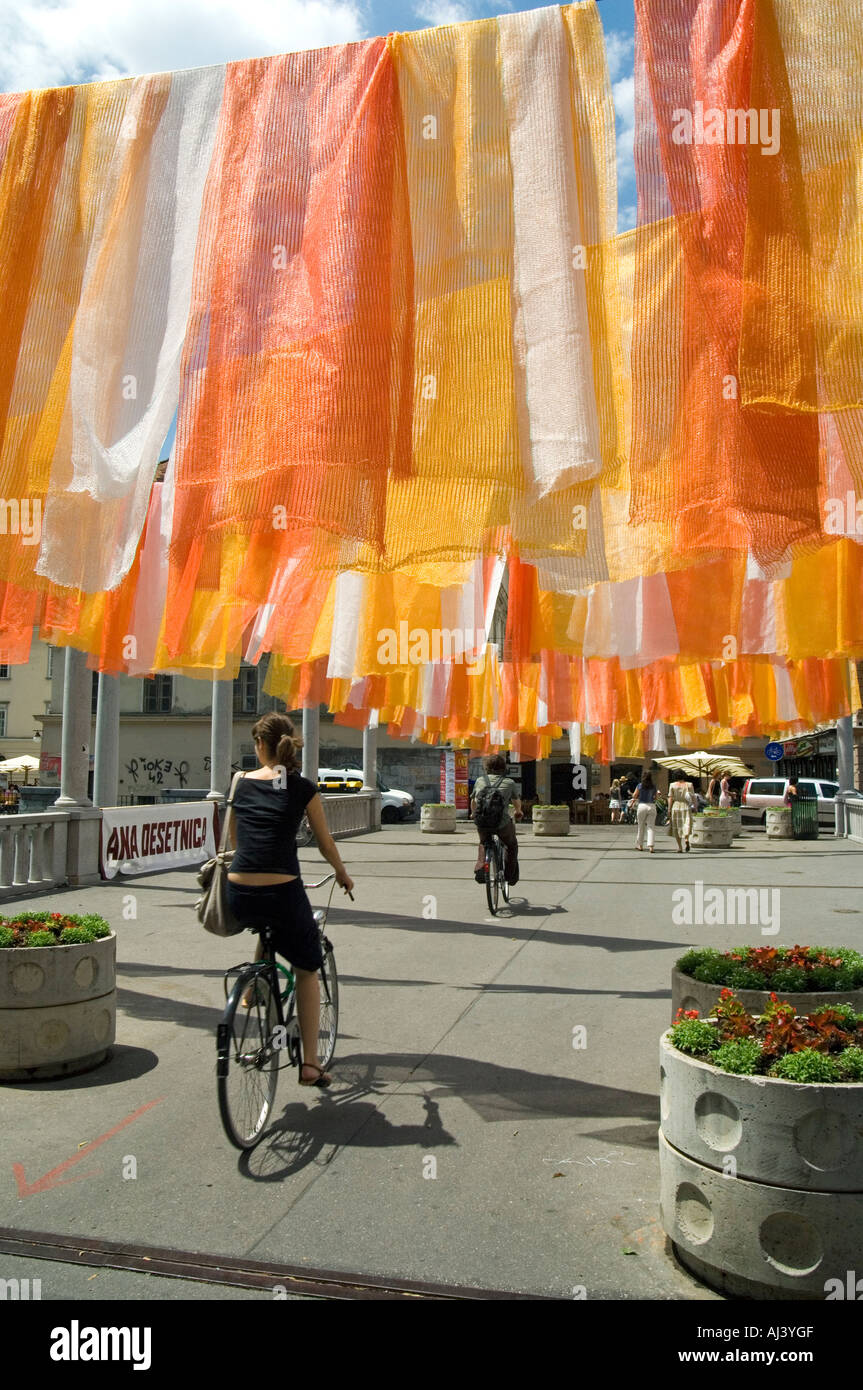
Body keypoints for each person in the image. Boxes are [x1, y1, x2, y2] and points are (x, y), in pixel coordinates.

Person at [226, 712, 354, 1088]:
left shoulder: (240, 782)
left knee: (265, 925)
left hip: (239, 891)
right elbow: (325, 842)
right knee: (306, 968)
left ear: (260, 747)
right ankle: (311, 1064)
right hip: (283, 889)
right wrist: (343, 874)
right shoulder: (303, 788)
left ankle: (253, 987)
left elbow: (234, 841)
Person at [472, 753, 522, 885]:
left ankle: (481, 865)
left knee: (483, 841)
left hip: (482, 821)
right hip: (502, 823)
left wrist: (473, 814)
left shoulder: (480, 781)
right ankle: (509, 876)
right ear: (503, 767)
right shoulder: (509, 782)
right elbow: (516, 802)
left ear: (487, 767)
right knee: (511, 845)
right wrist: (518, 812)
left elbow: (474, 801)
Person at [668, 772, 696, 853]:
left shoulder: (672, 785)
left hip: (676, 806)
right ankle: (686, 839)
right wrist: (695, 807)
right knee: (686, 823)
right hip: (686, 806)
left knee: (677, 826)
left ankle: (680, 847)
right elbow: (693, 797)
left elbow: (670, 798)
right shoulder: (689, 785)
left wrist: (669, 809)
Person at [631, 771, 658, 852]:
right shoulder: (653, 786)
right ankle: (651, 846)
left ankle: (640, 845)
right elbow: (656, 797)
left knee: (641, 826)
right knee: (651, 827)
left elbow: (634, 795)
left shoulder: (640, 785)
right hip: (651, 806)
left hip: (642, 806)